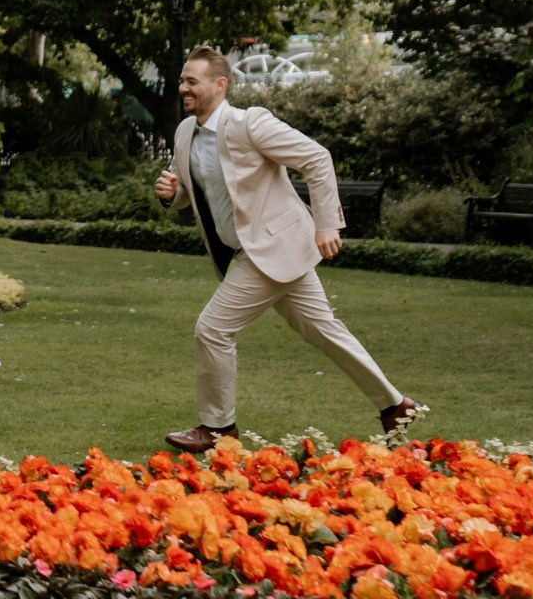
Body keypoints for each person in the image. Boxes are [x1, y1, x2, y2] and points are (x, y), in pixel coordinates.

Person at [155, 45, 422, 453]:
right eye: (182, 81)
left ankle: (218, 430)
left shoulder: (251, 124)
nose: (183, 88)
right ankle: (395, 405)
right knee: (325, 332)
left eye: (192, 81)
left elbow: (317, 158)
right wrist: (170, 195)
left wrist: (327, 223)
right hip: (262, 252)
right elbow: (191, 191)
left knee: (212, 329)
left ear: (220, 85)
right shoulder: (185, 132)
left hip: (271, 247)